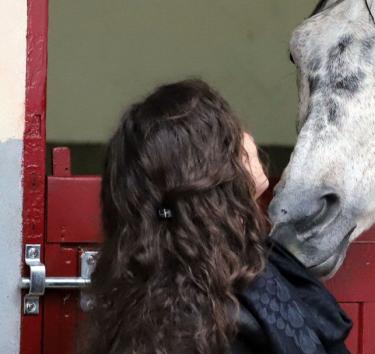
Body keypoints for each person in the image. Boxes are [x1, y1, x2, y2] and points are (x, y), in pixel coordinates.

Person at [78, 79, 352, 354]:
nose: (247, 137)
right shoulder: (201, 325)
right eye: (230, 132)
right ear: (206, 170)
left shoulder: (236, 268)